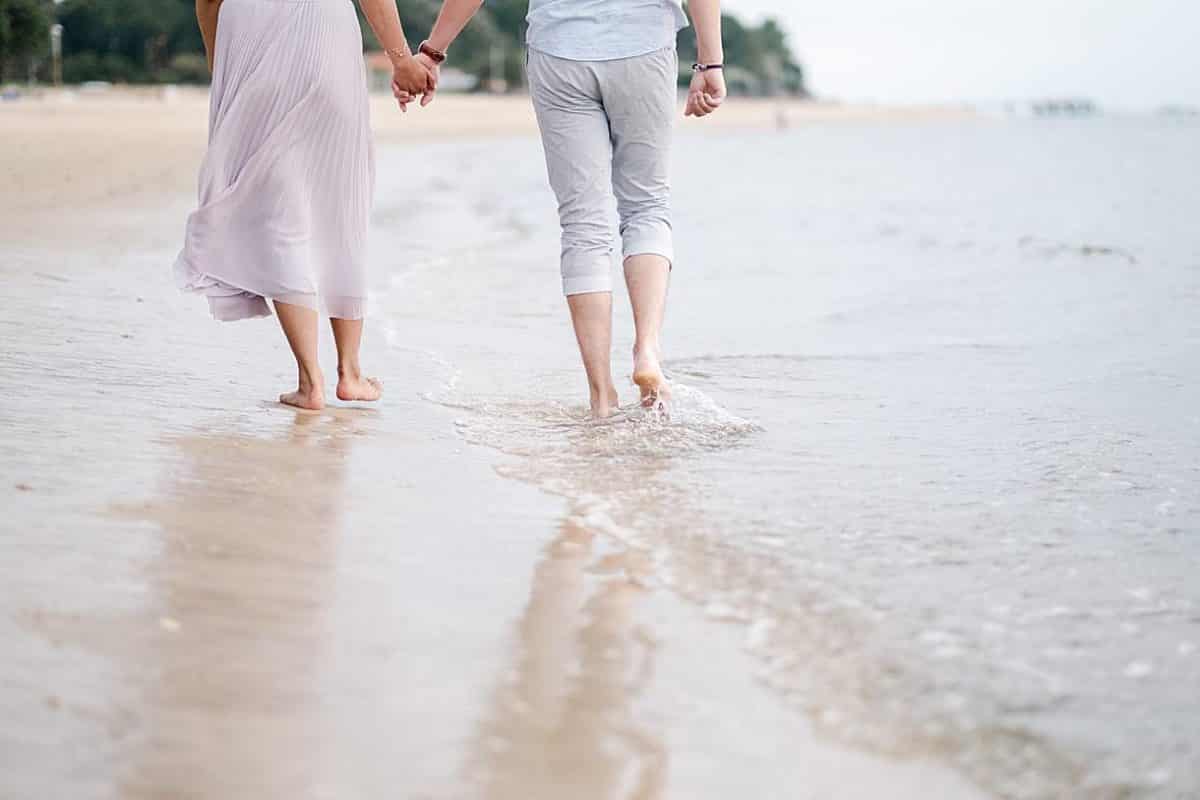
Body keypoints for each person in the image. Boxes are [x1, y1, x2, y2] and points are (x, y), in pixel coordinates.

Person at [411, 0, 727, 417]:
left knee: (582, 225)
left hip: (559, 48)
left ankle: (600, 396)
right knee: (646, 207)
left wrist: (433, 52)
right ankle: (647, 350)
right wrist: (710, 64)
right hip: (643, 42)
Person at [176, 0, 439, 410]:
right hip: (323, 27)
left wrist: (221, 64)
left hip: (247, 29)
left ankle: (309, 379)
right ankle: (350, 373)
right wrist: (402, 60)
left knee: (276, 207)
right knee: (340, 198)